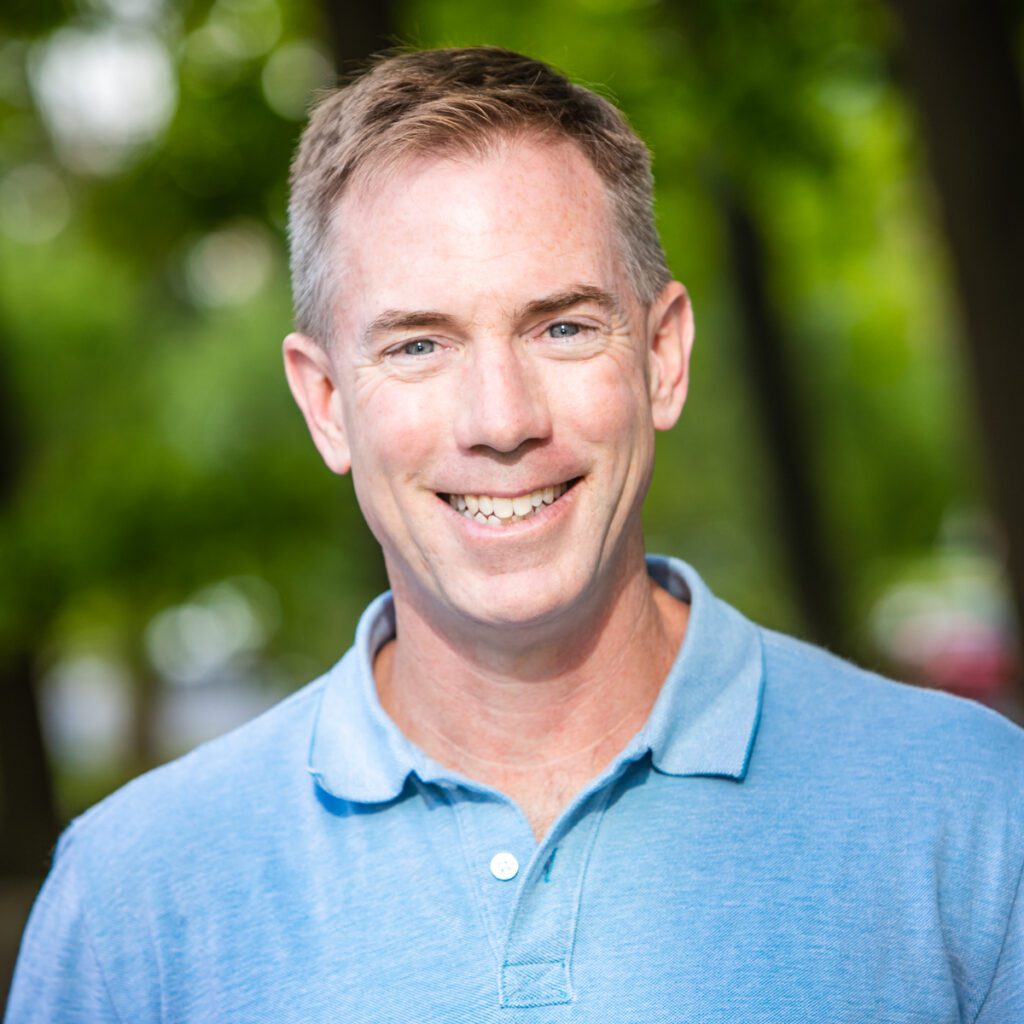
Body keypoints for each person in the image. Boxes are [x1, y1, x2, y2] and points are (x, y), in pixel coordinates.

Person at [6, 46, 1023, 1023]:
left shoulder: (972, 817)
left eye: (563, 327)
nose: (501, 418)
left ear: (663, 357)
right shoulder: (134, 896)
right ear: (324, 404)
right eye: (418, 343)